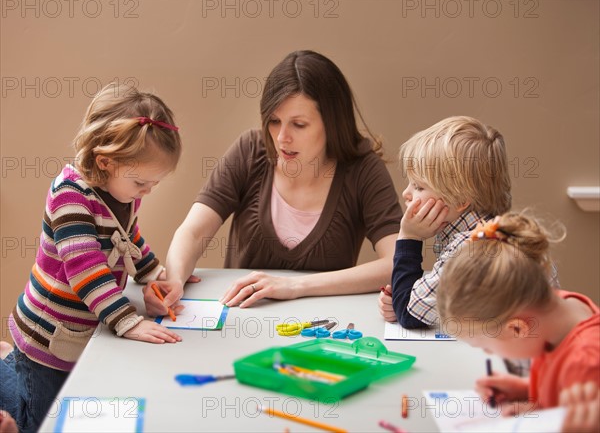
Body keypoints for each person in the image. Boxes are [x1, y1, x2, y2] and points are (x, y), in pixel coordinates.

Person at [144, 50, 402, 315]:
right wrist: (174, 280)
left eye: (299, 124)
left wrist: (294, 286)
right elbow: (193, 232)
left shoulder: (362, 169)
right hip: (241, 320)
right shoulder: (249, 151)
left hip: (321, 328)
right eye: (274, 121)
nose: (282, 138)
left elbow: (396, 261)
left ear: (332, 123)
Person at [0, 83, 184, 432]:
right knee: (39, 422)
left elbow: (127, 238)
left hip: (82, 327)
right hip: (47, 335)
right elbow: (85, 270)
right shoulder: (70, 194)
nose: (147, 192)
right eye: (142, 183)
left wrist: (154, 274)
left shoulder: (122, 191)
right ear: (105, 162)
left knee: (71, 403)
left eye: (154, 184)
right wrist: (128, 321)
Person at [437, 213, 599, 414]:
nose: (488, 354)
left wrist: (535, 421)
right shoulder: (564, 307)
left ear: (516, 328)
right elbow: (562, 389)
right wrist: (526, 389)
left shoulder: (586, 364)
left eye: (486, 347)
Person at [378, 116, 512, 328]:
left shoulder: (471, 249)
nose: (406, 193)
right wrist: (402, 296)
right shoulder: (496, 230)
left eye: (419, 187)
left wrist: (408, 237)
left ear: (460, 200)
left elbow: (409, 315)